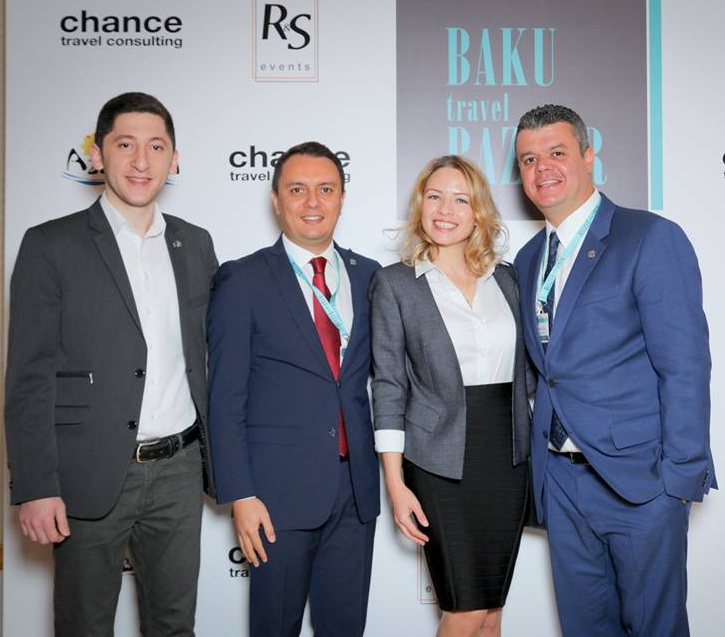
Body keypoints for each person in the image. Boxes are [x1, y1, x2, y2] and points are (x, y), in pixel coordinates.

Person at [4, 92, 218, 635]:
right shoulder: (50, 245)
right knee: (83, 626)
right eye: (125, 145)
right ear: (97, 155)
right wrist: (35, 485)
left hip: (179, 471)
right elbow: (28, 378)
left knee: (175, 627)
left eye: (156, 147)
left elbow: (208, 358)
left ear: (175, 159)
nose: (141, 161)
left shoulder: (194, 244)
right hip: (88, 472)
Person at [513, 104, 715, 636]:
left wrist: (677, 480)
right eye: (529, 159)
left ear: (588, 155)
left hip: (640, 483)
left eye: (557, 153)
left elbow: (685, 365)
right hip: (561, 482)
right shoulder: (529, 259)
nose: (542, 168)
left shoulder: (648, 237)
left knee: (654, 627)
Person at [207, 141, 380, 637]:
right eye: (297, 189)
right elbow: (225, 399)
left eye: (325, 189)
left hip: (354, 491)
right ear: (276, 200)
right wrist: (241, 494)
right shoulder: (243, 279)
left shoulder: (370, 276)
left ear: (342, 198)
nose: (312, 202)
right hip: (275, 496)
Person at [371, 155, 532, 637]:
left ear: (478, 210)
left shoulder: (508, 279)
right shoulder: (395, 284)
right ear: (420, 204)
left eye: (461, 200)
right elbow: (389, 387)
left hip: (507, 460)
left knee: (491, 613)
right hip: (437, 462)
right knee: (463, 611)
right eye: (434, 197)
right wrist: (396, 485)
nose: (445, 210)